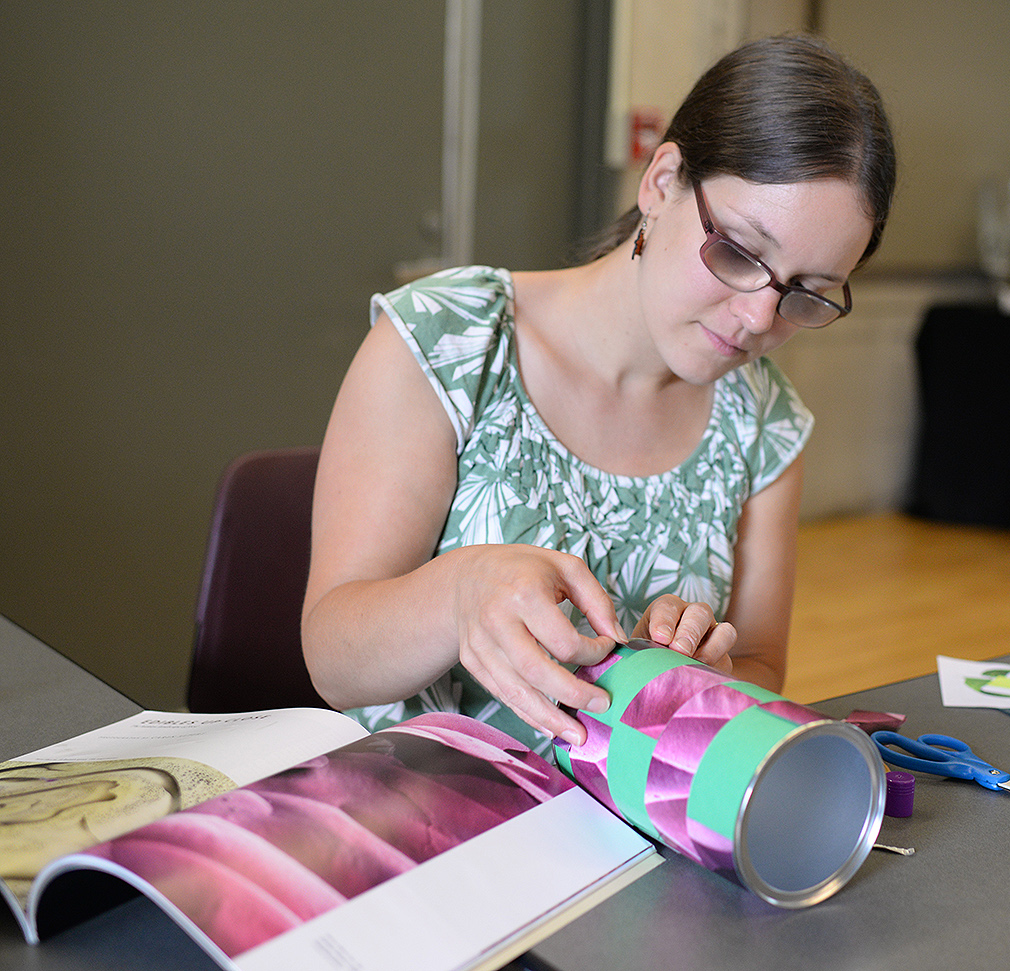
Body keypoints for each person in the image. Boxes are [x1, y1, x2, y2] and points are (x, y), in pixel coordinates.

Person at [300, 35, 896, 755]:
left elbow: (764, 667)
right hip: (419, 818)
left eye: (806, 293)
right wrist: (459, 594)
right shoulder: (449, 342)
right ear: (662, 180)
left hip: (622, 835)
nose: (758, 319)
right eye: (739, 253)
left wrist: (710, 673)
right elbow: (333, 658)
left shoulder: (761, 422)